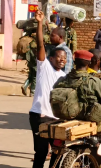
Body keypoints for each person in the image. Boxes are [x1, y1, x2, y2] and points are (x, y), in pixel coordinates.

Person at [29, 10, 67, 168]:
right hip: (39, 116)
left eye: (64, 58)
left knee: (58, 152)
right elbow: (40, 44)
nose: (61, 60)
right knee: (41, 152)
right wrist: (39, 22)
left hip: (56, 120)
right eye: (59, 57)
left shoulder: (64, 76)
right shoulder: (44, 66)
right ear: (51, 58)